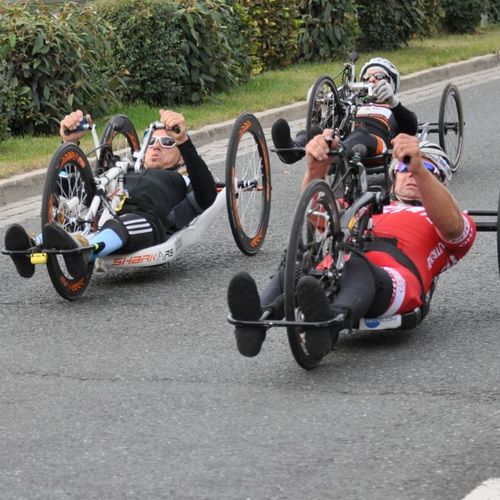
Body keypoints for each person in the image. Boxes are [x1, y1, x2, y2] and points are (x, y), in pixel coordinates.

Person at [227, 132, 476, 360]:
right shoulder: (367, 204)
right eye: (404, 165)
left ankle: (327, 327)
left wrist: (419, 168)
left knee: (356, 263)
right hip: (337, 265)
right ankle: (255, 321)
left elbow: (454, 229)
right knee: (298, 261)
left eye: (426, 167)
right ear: (393, 174)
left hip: (393, 280)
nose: (410, 171)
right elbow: (318, 215)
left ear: (441, 180)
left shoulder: (448, 217)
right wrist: (316, 169)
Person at [4, 109, 217, 279]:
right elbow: (69, 188)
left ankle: (86, 250)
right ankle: (30, 248)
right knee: (77, 218)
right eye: (151, 141)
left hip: (146, 219)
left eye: (167, 142)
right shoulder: (121, 171)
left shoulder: (184, 180)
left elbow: (207, 196)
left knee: (124, 223)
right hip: (103, 212)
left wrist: (184, 141)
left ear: (180, 157)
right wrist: (69, 144)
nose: (156, 146)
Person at [272, 57, 418, 180]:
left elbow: (411, 127)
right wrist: (317, 103)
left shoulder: (392, 108)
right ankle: (291, 151)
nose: (372, 79)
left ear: (391, 83)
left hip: (375, 141)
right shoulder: (352, 103)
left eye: (379, 76)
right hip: (342, 138)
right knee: (316, 130)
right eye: (367, 77)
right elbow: (326, 121)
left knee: (361, 134)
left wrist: (392, 101)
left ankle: (339, 154)